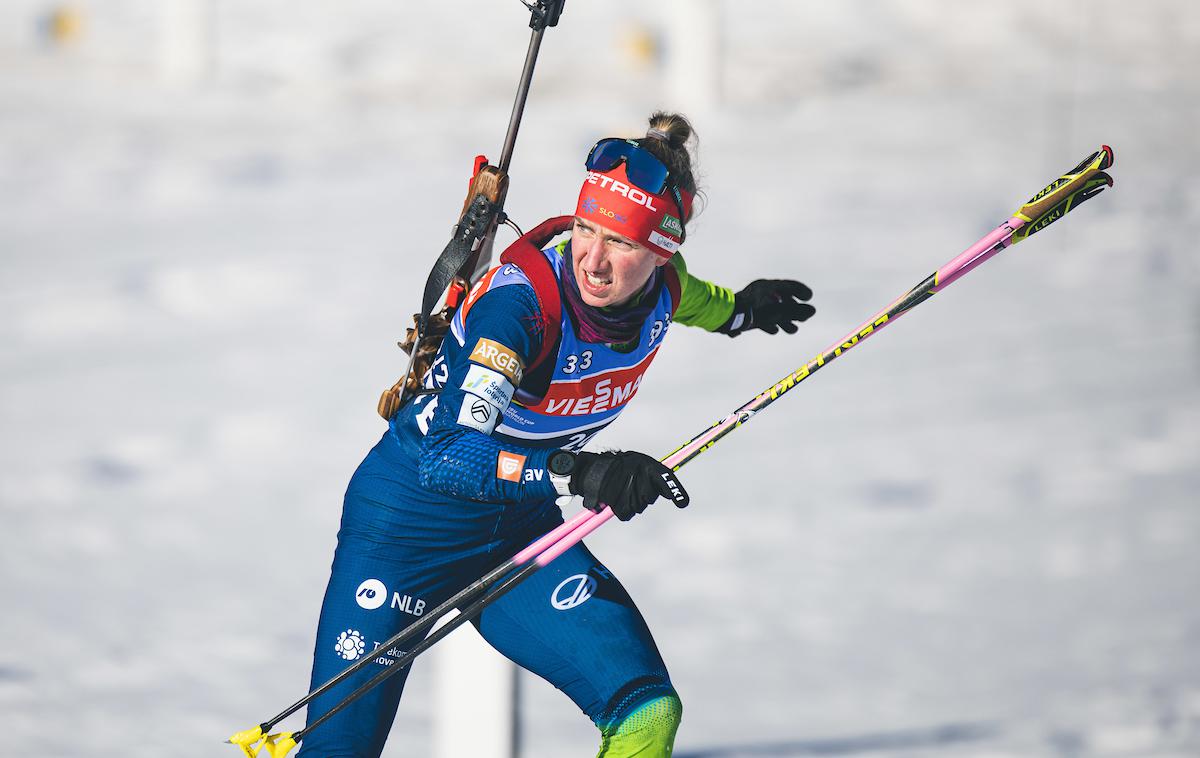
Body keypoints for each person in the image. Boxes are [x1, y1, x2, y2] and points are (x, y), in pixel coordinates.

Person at [300, 112, 816, 758]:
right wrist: (581, 473)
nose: (593, 259)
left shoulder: (662, 290)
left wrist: (741, 310)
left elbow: (692, 300)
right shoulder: (519, 309)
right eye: (586, 229)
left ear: (662, 252)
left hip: (514, 536)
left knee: (647, 714)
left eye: (621, 244)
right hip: (404, 529)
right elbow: (450, 457)